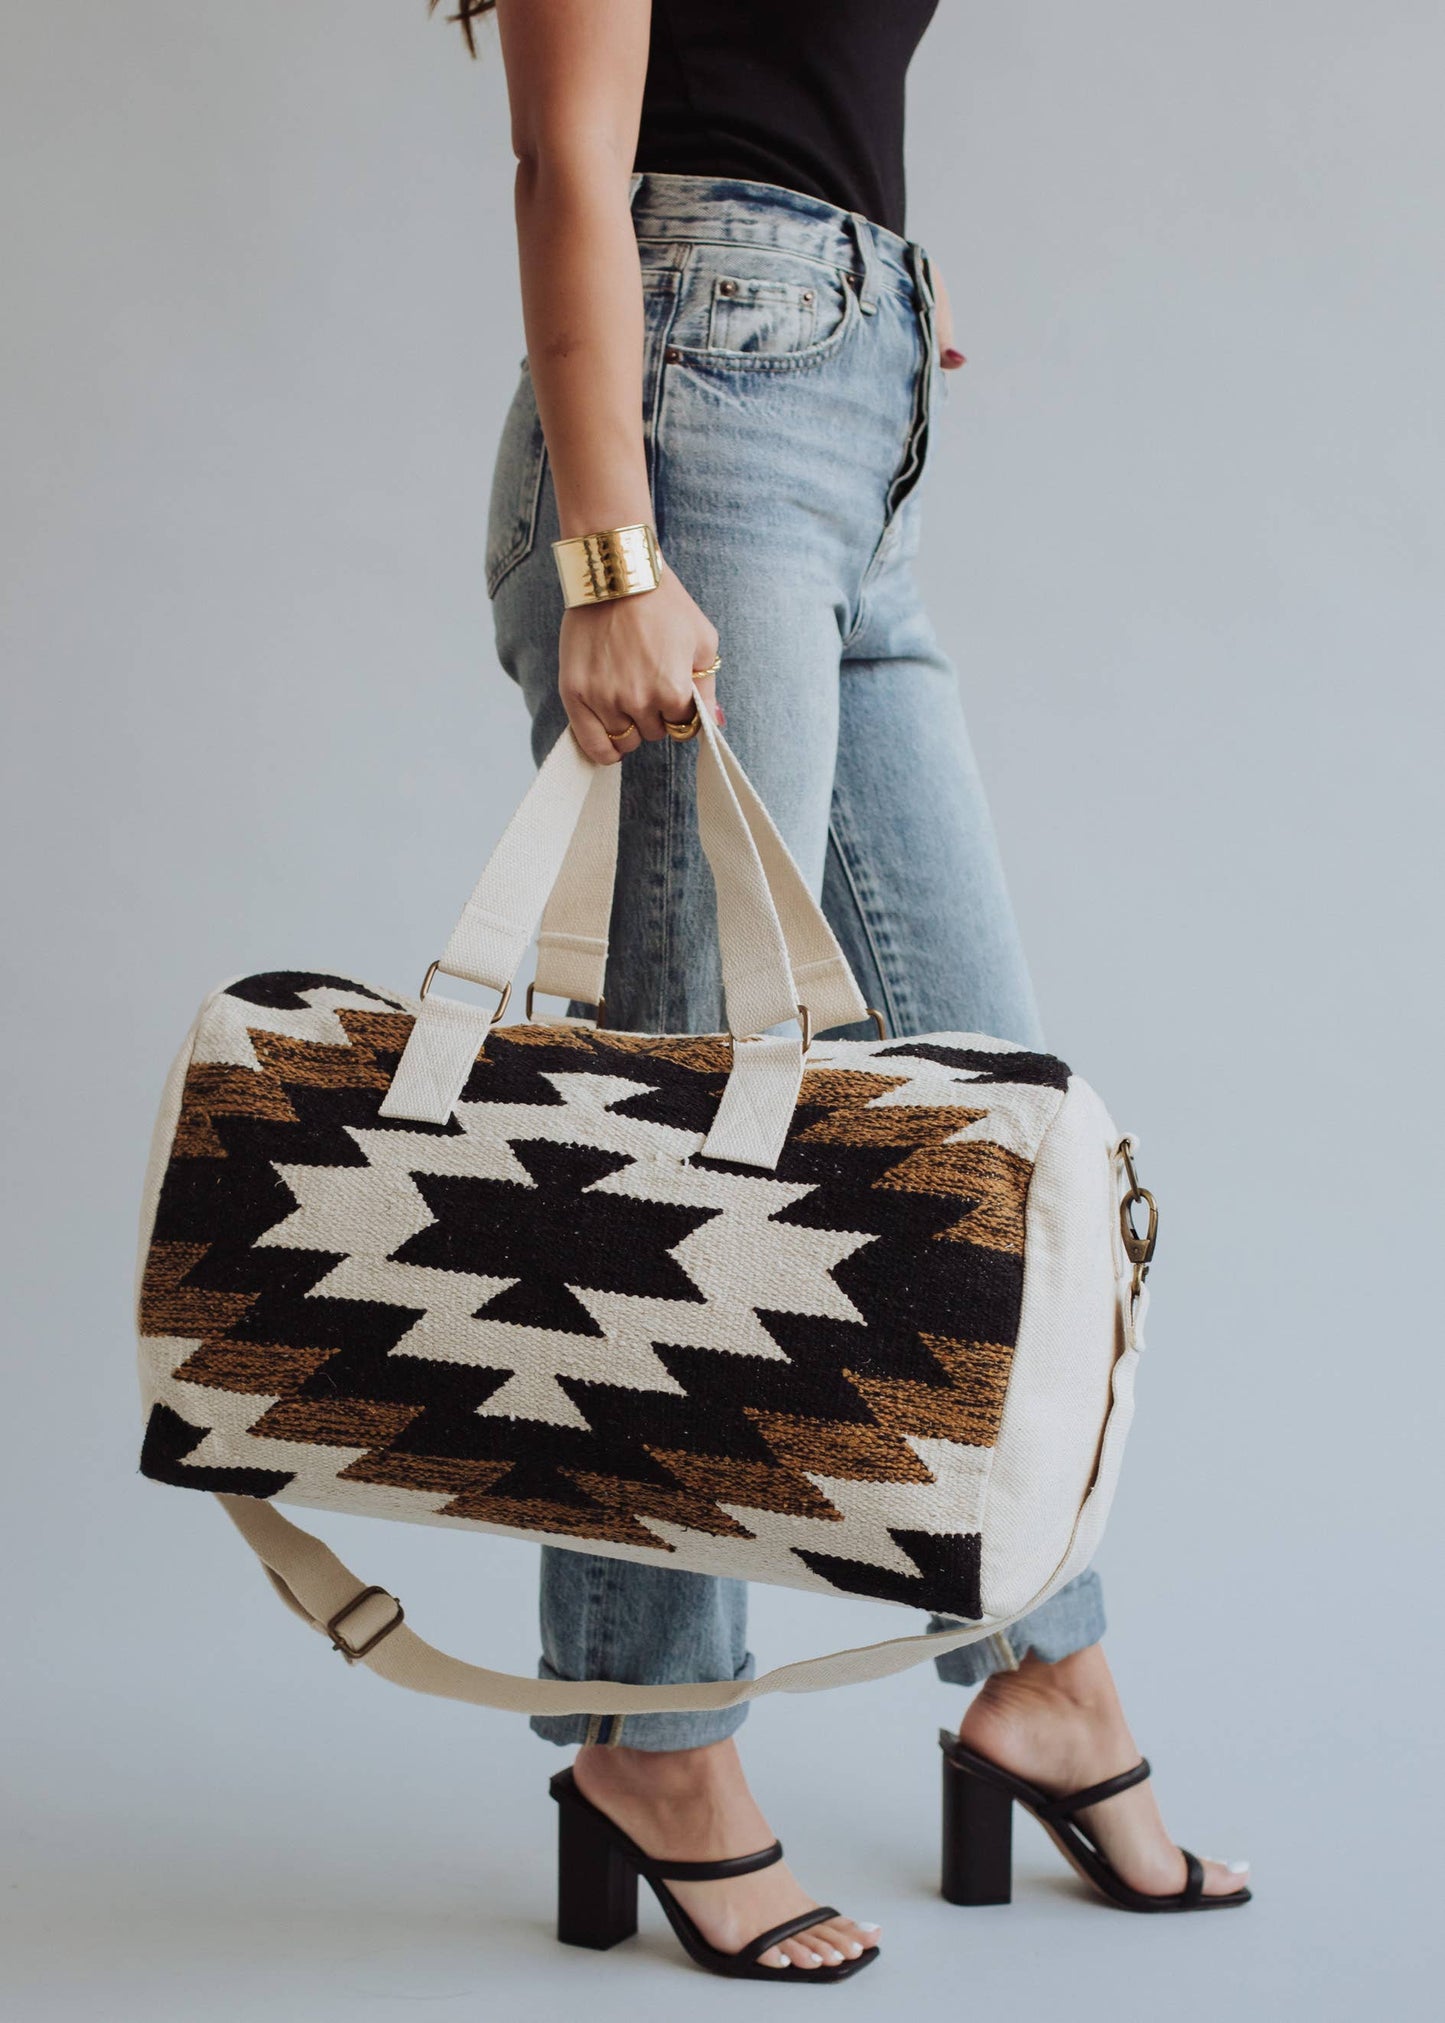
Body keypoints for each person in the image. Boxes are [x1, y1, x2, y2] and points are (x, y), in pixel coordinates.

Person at [449, 0, 1251, 1978]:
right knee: (684, 1144)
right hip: (693, 429)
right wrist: (613, 553)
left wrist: (875, 267)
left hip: (842, 421)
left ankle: (1039, 1675)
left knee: (981, 1121)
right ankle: (654, 1738)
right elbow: (571, 165)